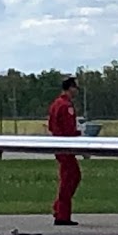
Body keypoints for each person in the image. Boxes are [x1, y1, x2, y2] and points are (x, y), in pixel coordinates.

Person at [47, 76, 82, 225]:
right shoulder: (66, 106)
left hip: (58, 144)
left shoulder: (55, 104)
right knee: (70, 178)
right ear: (71, 88)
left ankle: (59, 208)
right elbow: (69, 129)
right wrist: (78, 135)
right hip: (65, 146)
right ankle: (62, 214)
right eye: (76, 88)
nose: (77, 91)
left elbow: (50, 125)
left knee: (69, 177)